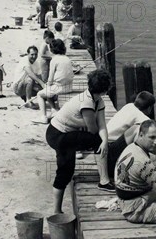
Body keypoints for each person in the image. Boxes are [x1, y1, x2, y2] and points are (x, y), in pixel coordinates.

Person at [46, 69, 114, 214]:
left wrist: (105, 141)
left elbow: (102, 125)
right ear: (104, 89)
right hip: (57, 134)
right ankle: (56, 211)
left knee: (98, 141)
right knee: (65, 171)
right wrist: (100, 141)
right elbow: (93, 129)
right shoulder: (87, 103)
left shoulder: (98, 100)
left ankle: (104, 181)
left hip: (68, 132)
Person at [106, 91, 156, 177]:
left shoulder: (128, 106)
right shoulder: (141, 117)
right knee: (137, 129)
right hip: (111, 156)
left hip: (103, 151)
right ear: (149, 108)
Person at [33, 39, 73, 123]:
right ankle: (54, 109)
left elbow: (50, 78)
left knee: (40, 94)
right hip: (69, 87)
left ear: (52, 49)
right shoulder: (67, 58)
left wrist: (48, 84)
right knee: (48, 90)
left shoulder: (54, 60)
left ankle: (43, 117)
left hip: (60, 88)